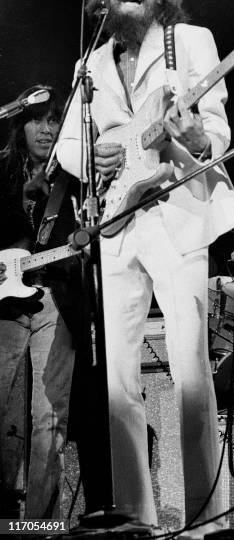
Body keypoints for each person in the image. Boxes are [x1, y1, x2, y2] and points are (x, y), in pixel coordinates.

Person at [56, 0, 234, 532]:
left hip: (179, 213)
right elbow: (66, 146)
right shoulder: (92, 63)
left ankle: (207, 518)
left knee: (190, 370)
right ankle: (134, 514)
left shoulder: (189, 42)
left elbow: (216, 131)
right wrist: (99, 155)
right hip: (118, 224)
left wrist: (191, 135)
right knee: (117, 379)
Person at [0, 85, 82, 519]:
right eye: (38, 119)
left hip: (56, 296)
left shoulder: (73, 176)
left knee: (48, 417)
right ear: (20, 123)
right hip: (5, 305)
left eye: (54, 121)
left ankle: (39, 524)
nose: (46, 129)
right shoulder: (2, 173)